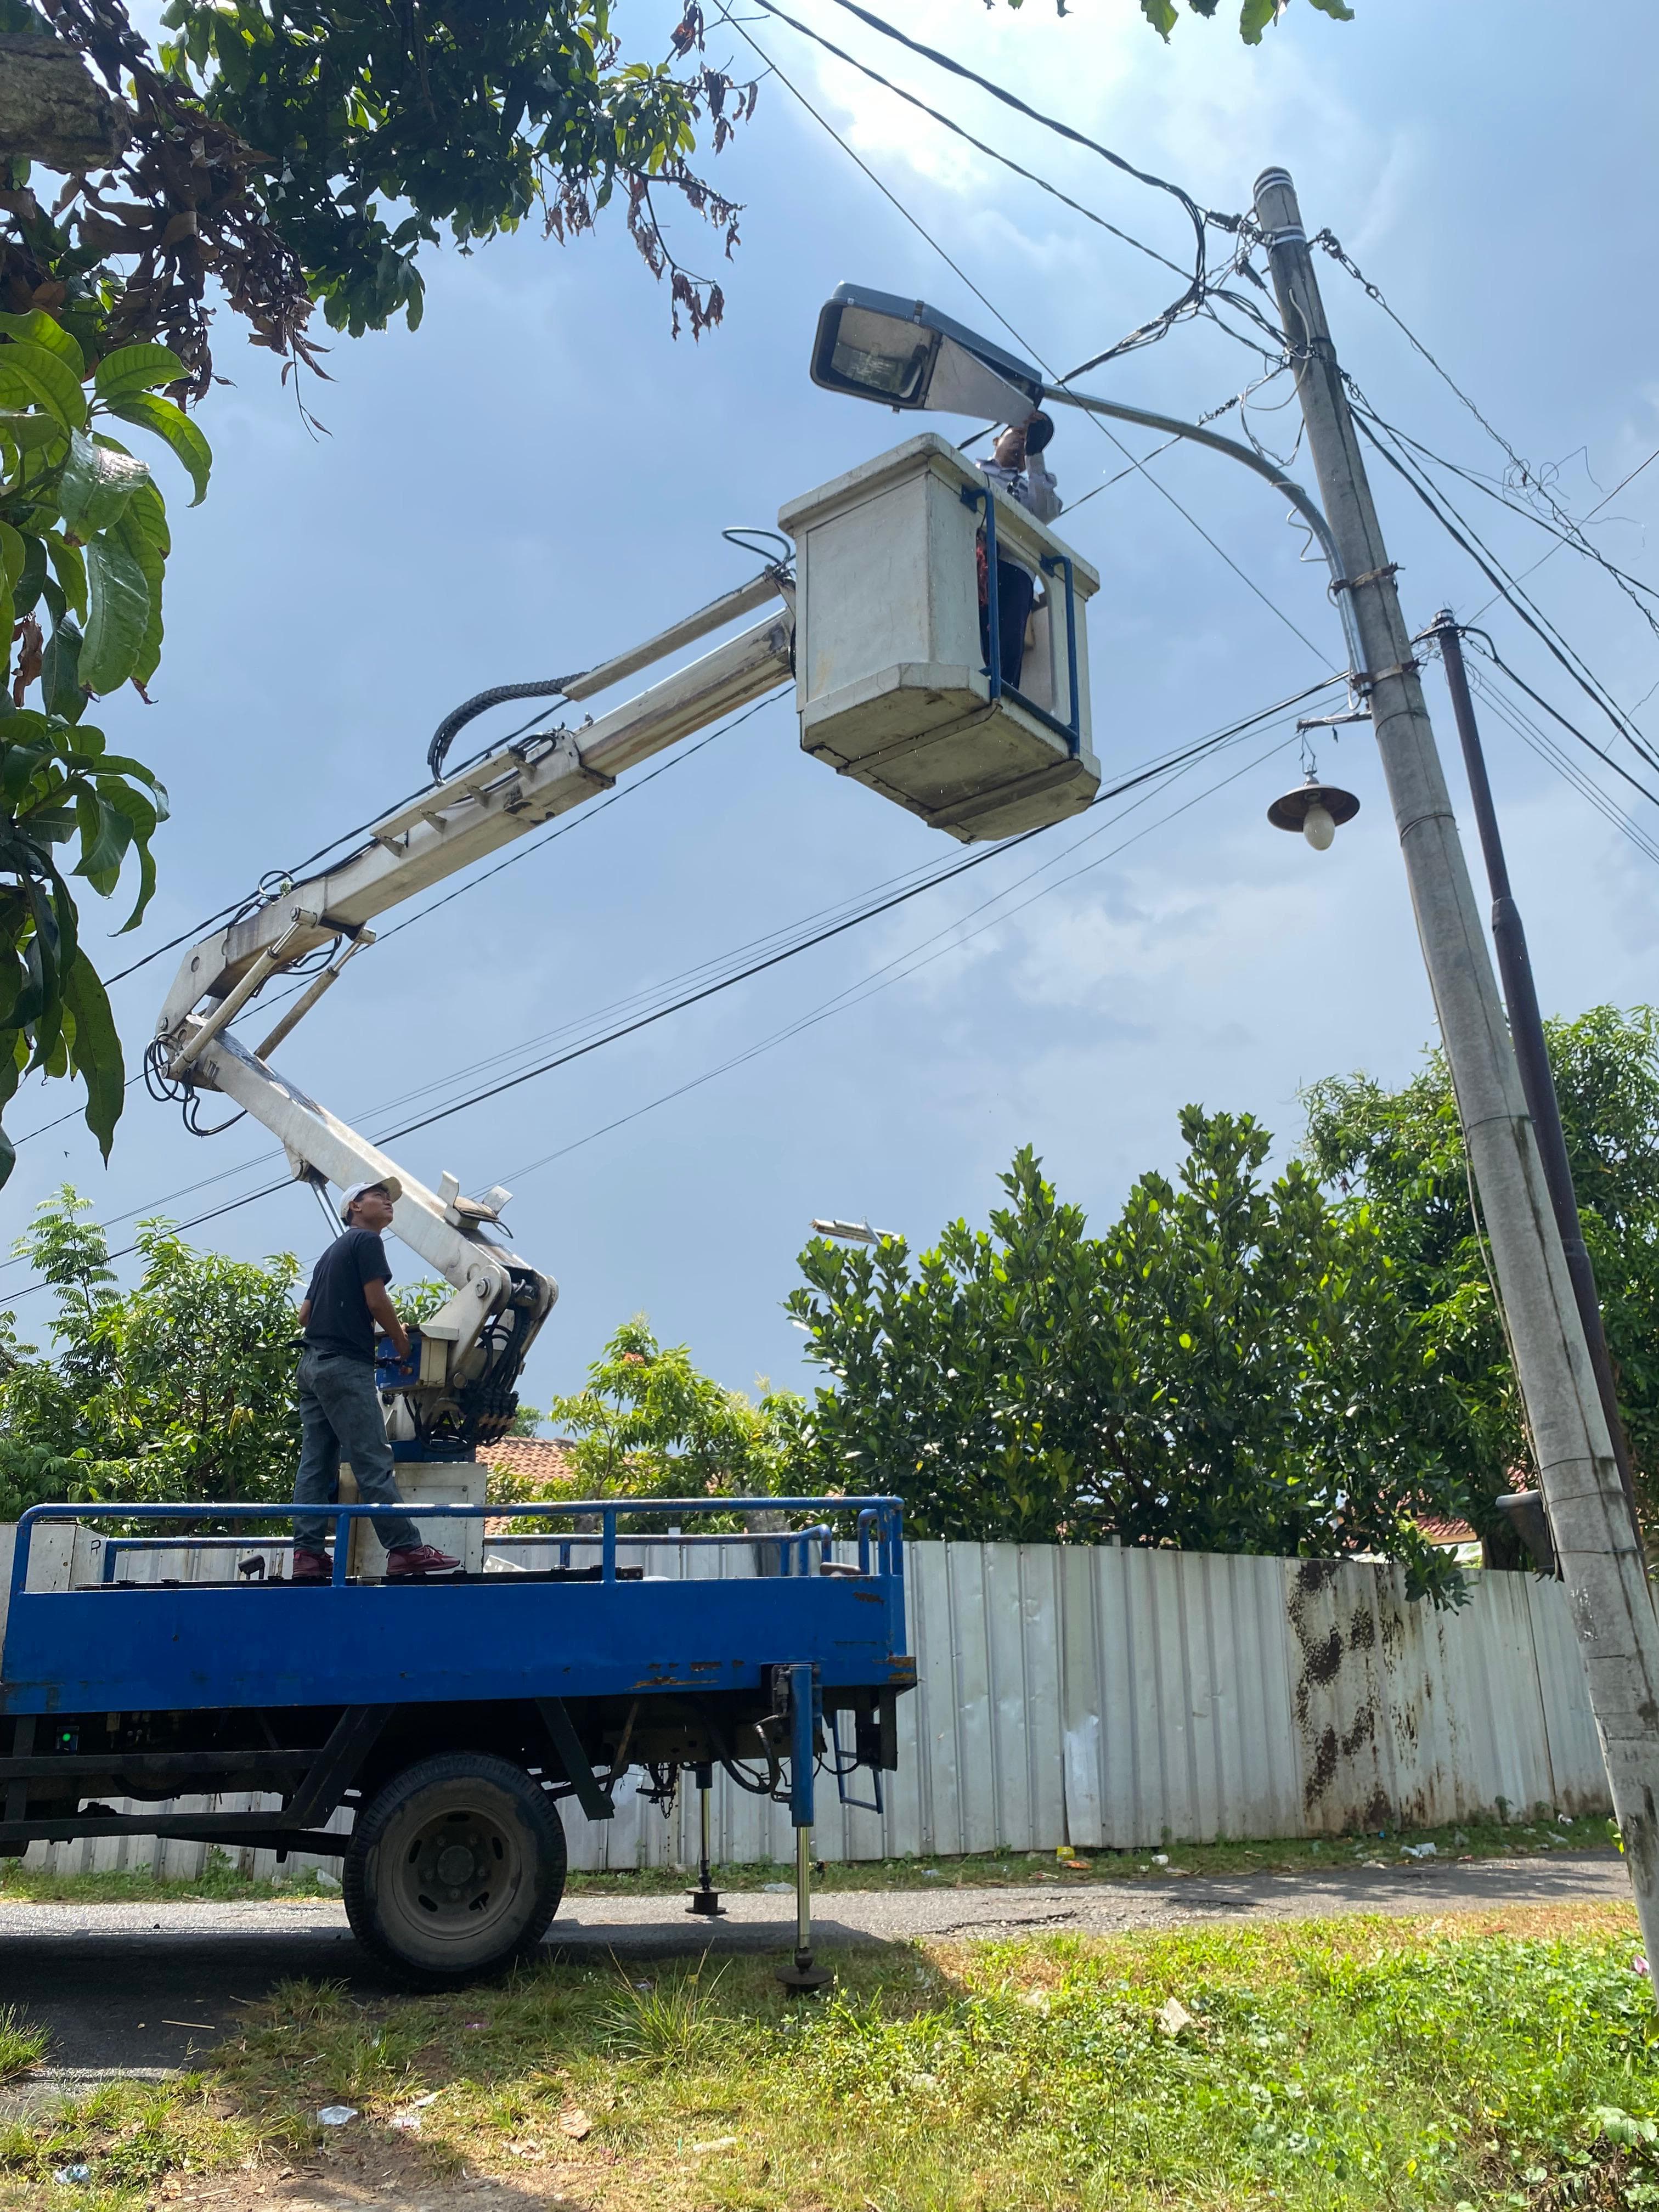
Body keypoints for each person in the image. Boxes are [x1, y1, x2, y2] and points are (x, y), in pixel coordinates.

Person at [289, 1177, 460, 1583]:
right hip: (344, 1366)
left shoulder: (330, 1254)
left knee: (316, 1464)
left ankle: (307, 1555)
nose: (387, 1200)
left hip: (312, 1365)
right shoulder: (366, 1242)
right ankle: (404, 1548)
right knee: (372, 1458)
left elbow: (304, 1315)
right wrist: (400, 1342)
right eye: (377, 1195)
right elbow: (376, 1298)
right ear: (353, 1209)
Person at [979, 411, 1060, 690]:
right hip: (973, 562)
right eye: (1017, 434)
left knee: (1008, 639)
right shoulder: (971, 470)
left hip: (1013, 571)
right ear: (996, 439)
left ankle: (1002, 695)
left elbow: (1046, 511)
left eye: (1028, 440)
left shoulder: (1032, 488)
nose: (1022, 443)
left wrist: (1035, 456)